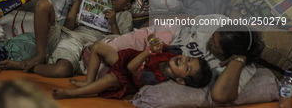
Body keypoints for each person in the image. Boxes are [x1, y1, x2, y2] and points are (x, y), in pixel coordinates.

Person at [90, 14, 265, 104]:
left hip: (160, 60)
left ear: (230, 54)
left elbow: (220, 95)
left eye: (215, 44)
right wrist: (156, 34)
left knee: (109, 75)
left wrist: (239, 60)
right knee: (97, 51)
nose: (209, 40)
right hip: (163, 39)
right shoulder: (217, 22)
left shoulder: (241, 67)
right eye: (213, 35)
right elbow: (186, 20)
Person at [0, 0, 137, 78]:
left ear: (127, 5)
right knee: (43, 3)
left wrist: (113, 23)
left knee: (61, 70)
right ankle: (40, 55)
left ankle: (25, 65)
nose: (112, 0)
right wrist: (78, 1)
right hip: (64, 35)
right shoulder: (93, 8)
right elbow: (68, 27)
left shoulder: (124, 15)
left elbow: (120, 44)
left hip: (77, 43)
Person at [52, 34, 212, 100]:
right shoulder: (172, 52)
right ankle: (89, 81)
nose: (184, 61)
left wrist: (148, 51)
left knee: (110, 78)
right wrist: (153, 41)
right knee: (97, 46)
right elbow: (151, 39)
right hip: (126, 57)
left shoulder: (155, 78)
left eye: (187, 68)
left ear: (181, 81)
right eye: (188, 58)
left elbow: (131, 68)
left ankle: (72, 94)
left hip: (126, 77)